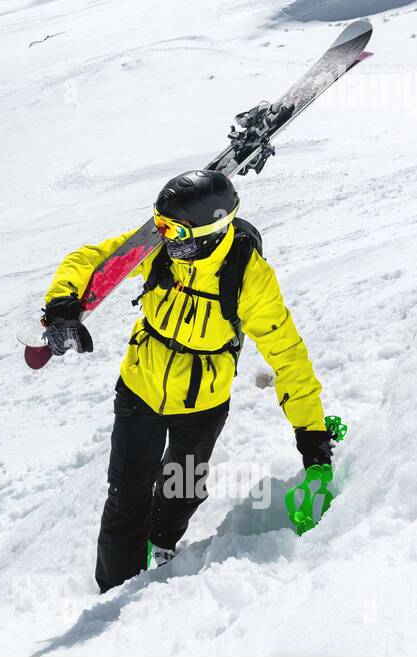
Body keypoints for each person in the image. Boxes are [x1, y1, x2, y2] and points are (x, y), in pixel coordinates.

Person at [41, 169, 334, 593]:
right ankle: (112, 598)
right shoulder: (160, 247)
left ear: (207, 231)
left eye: (171, 228)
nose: (159, 234)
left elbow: (288, 357)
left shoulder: (249, 278)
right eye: (158, 224)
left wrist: (312, 437)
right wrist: (62, 307)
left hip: (201, 405)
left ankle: (160, 544)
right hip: (140, 389)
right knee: (126, 497)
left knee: (182, 488)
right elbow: (88, 259)